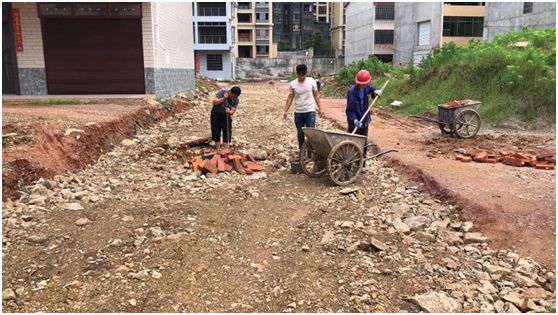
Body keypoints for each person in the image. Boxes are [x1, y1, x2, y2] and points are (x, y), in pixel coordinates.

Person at [283, 64, 322, 149]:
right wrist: (285, 111)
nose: (302, 77)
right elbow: (290, 98)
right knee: (300, 133)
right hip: (298, 112)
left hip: (310, 111)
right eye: (300, 75)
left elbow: (316, 95)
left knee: (311, 132)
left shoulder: (311, 82)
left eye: (303, 75)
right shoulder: (293, 84)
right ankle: (302, 151)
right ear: (297, 74)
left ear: (306, 73)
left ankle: (311, 152)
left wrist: (320, 108)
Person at [346, 70, 382, 155]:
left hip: (364, 121)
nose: (363, 86)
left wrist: (375, 92)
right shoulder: (351, 92)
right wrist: (354, 120)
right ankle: (350, 165)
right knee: (352, 144)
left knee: (364, 144)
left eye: (365, 84)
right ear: (357, 82)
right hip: (354, 123)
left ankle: (362, 165)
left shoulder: (367, 87)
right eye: (361, 84)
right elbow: (350, 110)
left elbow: (372, 91)